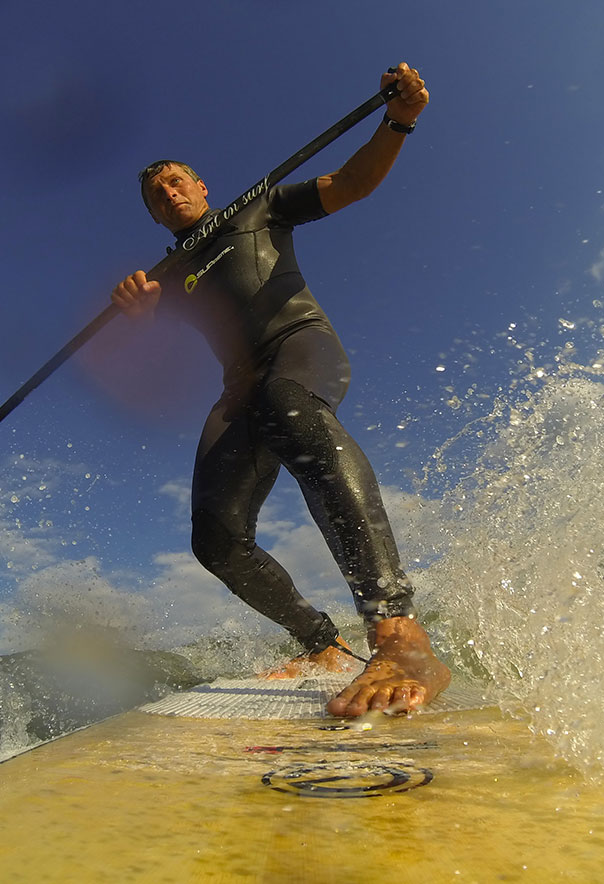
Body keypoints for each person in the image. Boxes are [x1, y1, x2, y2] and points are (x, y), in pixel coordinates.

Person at [111, 63, 450, 717]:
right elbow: (151, 331)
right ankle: (320, 644)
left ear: (201, 185)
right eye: (156, 194)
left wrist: (399, 120)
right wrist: (136, 308)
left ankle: (399, 633)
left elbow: (352, 183)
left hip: (298, 349)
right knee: (215, 540)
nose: (168, 193)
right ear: (156, 216)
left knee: (287, 408)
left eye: (176, 180)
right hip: (239, 389)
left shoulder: (258, 207)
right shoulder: (171, 271)